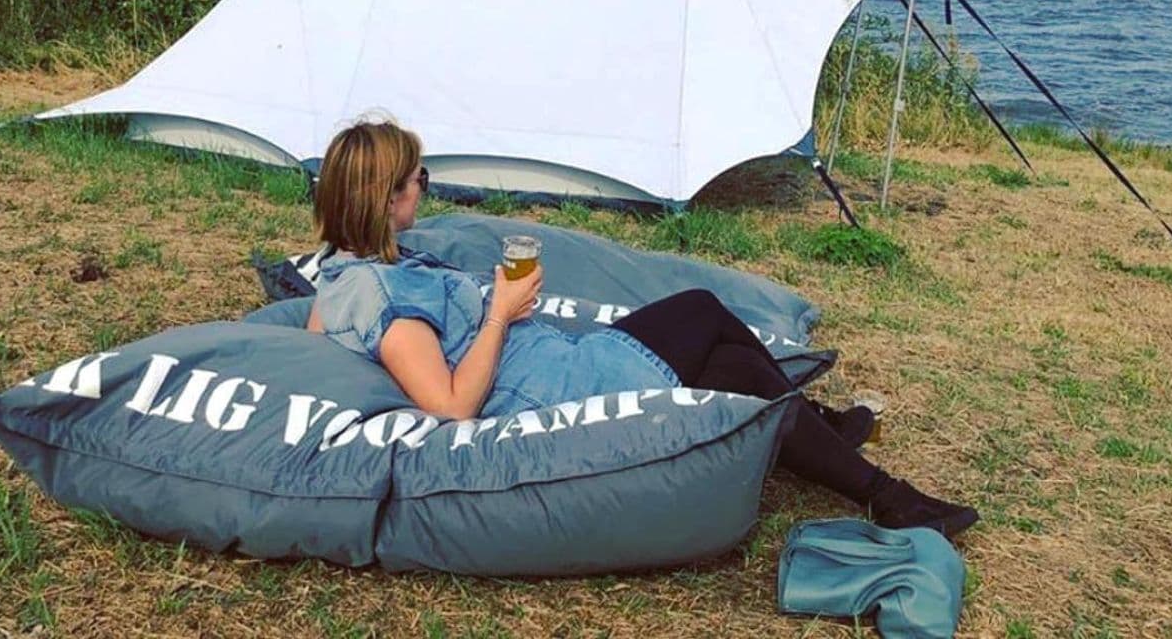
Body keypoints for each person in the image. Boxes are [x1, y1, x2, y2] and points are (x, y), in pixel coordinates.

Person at [305, 118, 978, 539]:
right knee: (714, 337)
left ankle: (847, 455)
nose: (426, 188)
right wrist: (501, 317)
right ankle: (877, 487)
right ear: (386, 196)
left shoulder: (352, 271)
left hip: (552, 361)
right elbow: (449, 406)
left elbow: (316, 332)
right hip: (559, 388)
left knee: (718, 347)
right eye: (419, 178)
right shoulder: (375, 291)